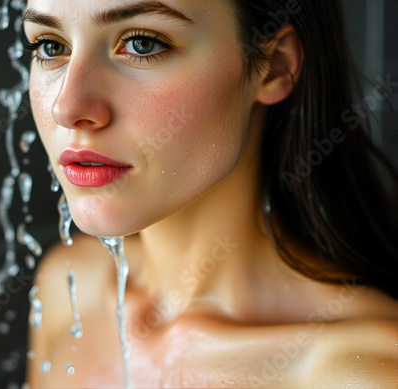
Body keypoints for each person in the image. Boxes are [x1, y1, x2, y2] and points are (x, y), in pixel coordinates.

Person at [22, 0, 398, 387]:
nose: (66, 107)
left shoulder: (367, 371)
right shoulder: (68, 290)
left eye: (142, 44)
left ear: (275, 66)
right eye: (51, 47)